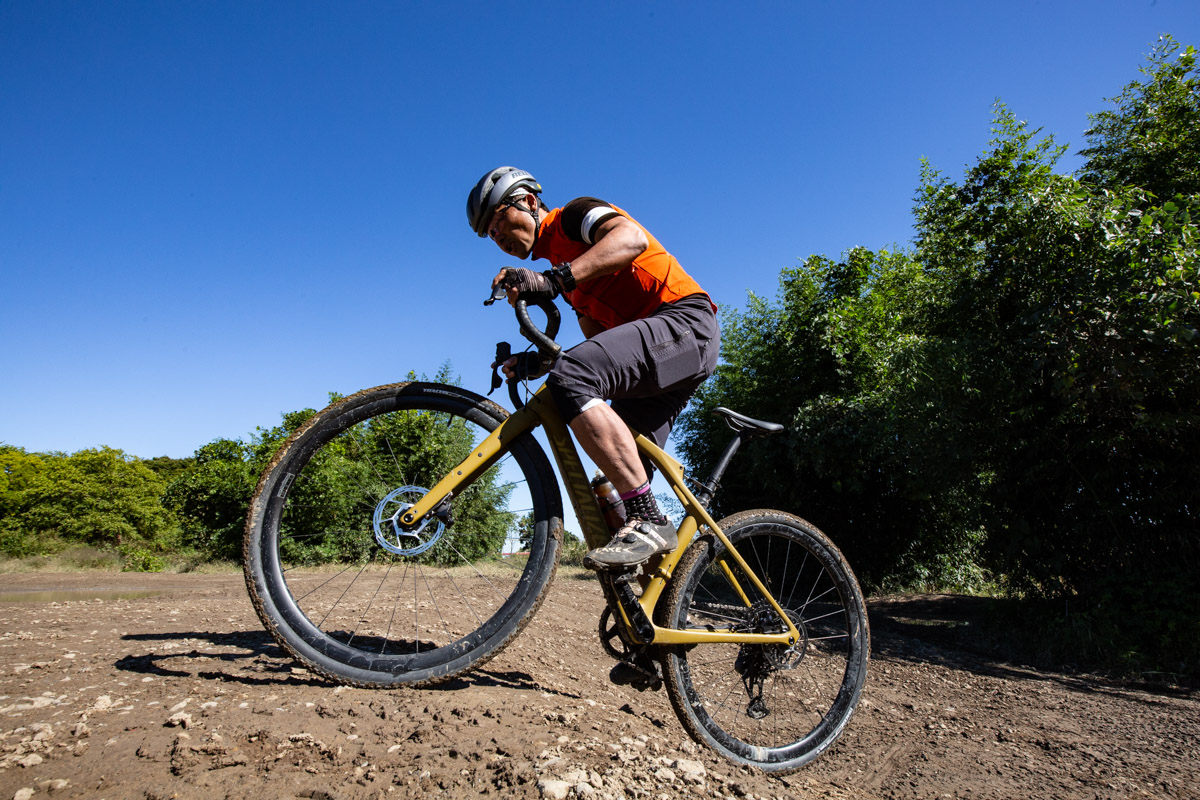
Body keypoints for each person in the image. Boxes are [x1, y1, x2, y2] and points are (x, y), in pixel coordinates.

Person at [467, 166, 719, 571]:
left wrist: (555, 280)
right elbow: (595, 351)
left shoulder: (572, 218)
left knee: (574, 380)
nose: (498, 238)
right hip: (661, 355)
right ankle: (662, 602)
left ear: (529, 202)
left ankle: (650, 521)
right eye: (490, 236)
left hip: (686, 324)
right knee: (612, 489)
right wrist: (533, 362)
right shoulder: (576, 287)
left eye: (498, 220)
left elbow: (630, 239)